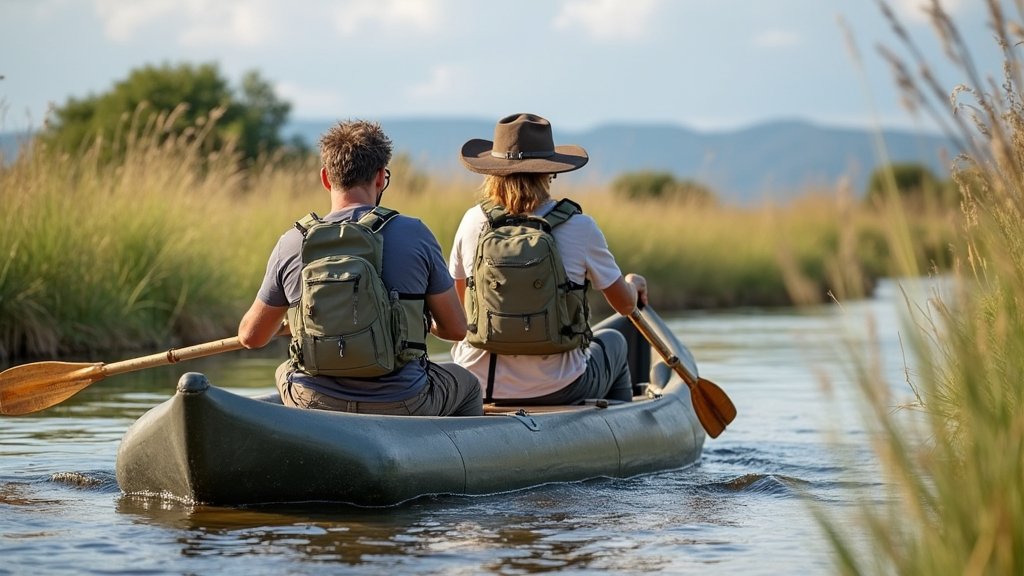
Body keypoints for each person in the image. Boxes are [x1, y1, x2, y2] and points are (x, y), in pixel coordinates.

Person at [238, 119, 483, 416]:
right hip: (403, 402)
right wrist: (416, 320)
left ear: (326, 178)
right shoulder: (416, 233)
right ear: (381, 178)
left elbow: (251, 337)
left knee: (283, 372)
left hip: (314, 401)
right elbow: (456, 330)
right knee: (468, 384)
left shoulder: (292, 242)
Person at [448, 112, 648, 405]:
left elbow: (462, 309)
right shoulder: (580, 226)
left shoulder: (471, 221)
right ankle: (619, 428)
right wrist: (633, 284)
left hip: (477, 386)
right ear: (549, 173)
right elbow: (625, 305)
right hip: (558, 387)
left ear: (492, 172)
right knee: (616, 342)